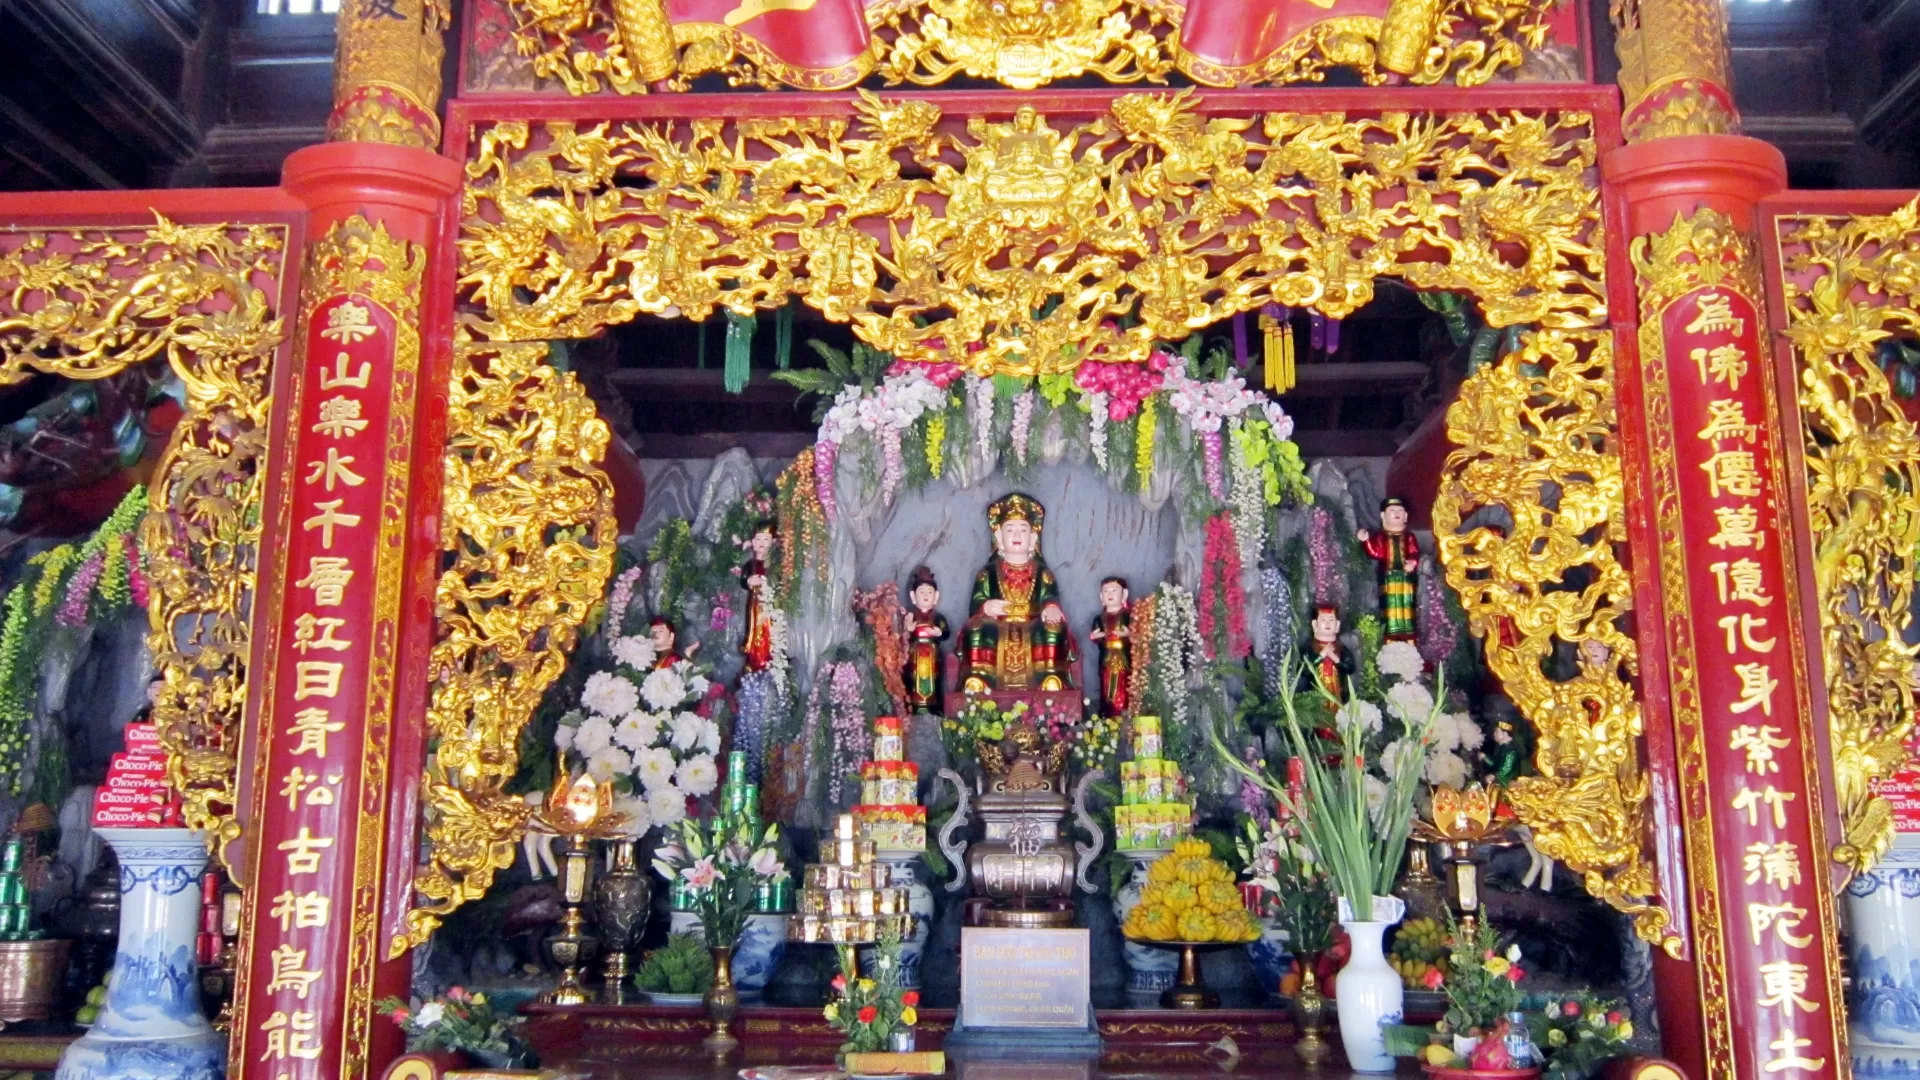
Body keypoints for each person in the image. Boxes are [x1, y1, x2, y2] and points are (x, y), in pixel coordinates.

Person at [962, 493, 1072, 693]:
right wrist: (985, 607)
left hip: (1032, 622)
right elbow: (977, 601)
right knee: (977, 629)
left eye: (1023, 530)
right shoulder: (987, 573)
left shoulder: (1042, 571)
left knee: (1051, 629)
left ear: (1033, 538)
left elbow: (1049, 595)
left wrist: (1051, 607)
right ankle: (981, 677)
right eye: (1009, 530)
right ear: (998, 537)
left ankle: (1048, 675)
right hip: (998, 623)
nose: (1016, 536)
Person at [1357, 496, 1422, 641]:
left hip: (1406, 579)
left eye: (1400, 510)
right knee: (1390, 607)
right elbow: (1375, 552)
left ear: (1405, 515)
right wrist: (1366, 541)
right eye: (1392, 510)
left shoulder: (1409, 537)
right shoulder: (1381, 537)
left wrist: (1412, 562)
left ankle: (1409, 634)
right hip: (1388, 578)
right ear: (1383, 516)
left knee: (1407, 605)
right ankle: (1391, 634)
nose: (1396, 513)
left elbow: (1414, 552)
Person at [902, 566, 949, 714]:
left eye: (929, 592)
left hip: (933, 655)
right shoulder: (911, 616)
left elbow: (946, 633)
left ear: (936, 596)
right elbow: (904, 634)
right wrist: (908, 629)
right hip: (915, 653)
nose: (925, 596)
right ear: (913, 596)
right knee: (913, 677)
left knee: (935, 677)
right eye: (921, 592)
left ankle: (933, 705)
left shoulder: (938, 617)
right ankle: (914, 705)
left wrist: (938, 632)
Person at [1088, 576, 1132, 717]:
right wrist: (1096, 637)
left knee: (1124, 687)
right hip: (1106, 658)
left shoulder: (1128, 616)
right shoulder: (1099, 618)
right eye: (1106, 591)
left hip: (1123, 658)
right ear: (1101, 596)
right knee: (1106, 689)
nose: (1110, 594)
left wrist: (1129, 635)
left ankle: (1123, 715)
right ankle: (1107, 715)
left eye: (1114, 590)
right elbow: (1094, 636)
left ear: (1124, 594)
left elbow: (1136, 636)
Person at [740, 523, 777, 672]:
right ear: (753, 543)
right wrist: (749, 581)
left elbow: (780, 581)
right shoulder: (750, 565)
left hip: (770, 606)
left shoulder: (775, 565)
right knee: (754, 631)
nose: (762, 543)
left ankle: (770, 659)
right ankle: (754, 660)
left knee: (770, 632)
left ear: (773, 543)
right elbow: (743, 579)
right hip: (754, 605)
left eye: (766, 539)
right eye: (759, 539)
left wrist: (769, 583)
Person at [1299, 604, 1353, 701]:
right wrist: (1321, 656)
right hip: (1314, 698)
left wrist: (1336, 659)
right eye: (1323, 620)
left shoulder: (1341, 649)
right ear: (1315, 625)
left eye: (1331, 620)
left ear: (1337, 625)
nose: (1327, 623)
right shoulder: (1309, 648)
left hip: (1339, 696)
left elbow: (1350, 668)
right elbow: (1303, 671)